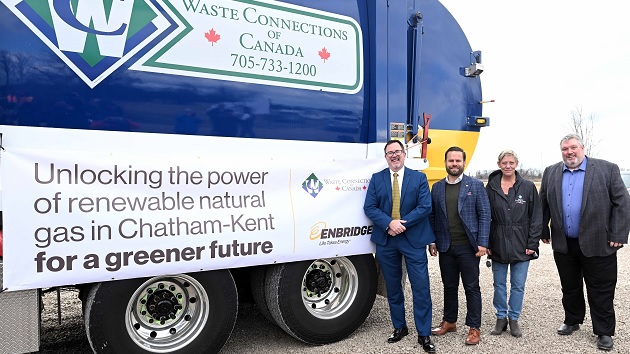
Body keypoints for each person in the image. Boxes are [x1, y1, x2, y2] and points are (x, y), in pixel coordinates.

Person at [539, 134, 630, 351]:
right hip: (564, 243)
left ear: (582, 147)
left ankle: (604, 331)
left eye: (573, 147)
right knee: (569, 287)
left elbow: (622, 203)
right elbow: (543, 203)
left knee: (601, 290)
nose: (569, 152)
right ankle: (572, 320)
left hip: (599, 242)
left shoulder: (607, 169)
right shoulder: (551, 172)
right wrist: (543, 228)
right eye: (564, 149)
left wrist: (618, 235)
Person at [363, 139, 437, 353]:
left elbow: (425, 207)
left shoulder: (419, 177)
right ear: (386, 157)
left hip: (412, 240)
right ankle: (399, 327)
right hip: (387, 240)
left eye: (397, 151)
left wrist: (401, 224)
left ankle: (424, 333)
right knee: (393, 288)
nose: (394, 155)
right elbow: (370, 207)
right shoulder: (377, 179)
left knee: (420, 287)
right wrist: (389, 223)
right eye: (389, 153)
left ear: (404, 154)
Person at [430, 146, 490, 346]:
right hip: (446, 247)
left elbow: (485, 215)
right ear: (445, 162)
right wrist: (432, 241)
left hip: (468, 247)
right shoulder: (437, 188)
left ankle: (474, 327)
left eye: (458, 161)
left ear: (464, 163)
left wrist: (482, 243)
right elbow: (433, 217)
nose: (454, 164)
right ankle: (450, 321)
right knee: (449, 286)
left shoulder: (475, 185)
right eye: (451, 160)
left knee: (471, 287)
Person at [485, 150, 542, 337]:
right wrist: (487, 243)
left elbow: (536, 217)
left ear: (516, 163)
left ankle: (514, 318)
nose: (508, 166)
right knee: (499, 284)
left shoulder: (527, 187)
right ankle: (501, 318)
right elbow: (486, 217)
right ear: (499, 164)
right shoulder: (491, 187)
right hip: (498, 242)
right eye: (504, 163)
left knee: (518, 285)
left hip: (521, 243)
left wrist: (532, 244)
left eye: (511, 162)